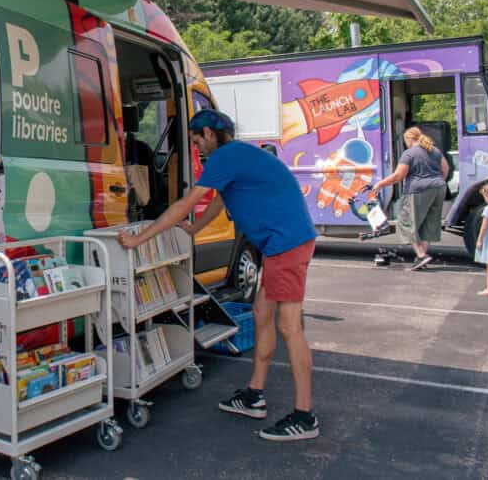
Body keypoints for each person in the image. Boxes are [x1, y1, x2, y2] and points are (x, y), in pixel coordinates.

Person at [116, 109, 319, 441]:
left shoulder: (225, 156)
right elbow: (218, 200)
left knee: (289, 327)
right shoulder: (238, 156)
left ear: (209, 133)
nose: (197, 148)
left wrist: (139, 239)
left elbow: (186, 202)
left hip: (286, 244)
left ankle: (304, 415)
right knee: (261, 314)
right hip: (281, 244)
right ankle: (254, 395)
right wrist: (195, 228)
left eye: (197, 141)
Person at [368, 127, 449, 271]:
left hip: (418, 190)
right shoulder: (435, 150)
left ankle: (421, 255)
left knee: (406, 223)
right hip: (439, 187)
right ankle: (421, 257)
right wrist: (437, 182)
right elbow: (446, 169)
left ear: (409, 139)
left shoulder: (409, 153)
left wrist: (380, 184)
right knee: (427, 224)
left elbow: (398, 175)